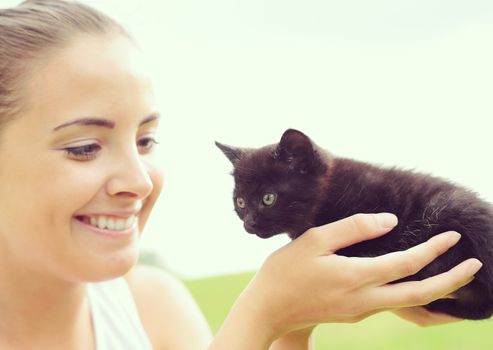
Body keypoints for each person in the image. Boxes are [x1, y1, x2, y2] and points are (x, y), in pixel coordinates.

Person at [0, 1, 483, 349]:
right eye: (84, 147)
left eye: (145, 141)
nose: (140, 181)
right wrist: (260, 313)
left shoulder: (152, 306)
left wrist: (292, 326)